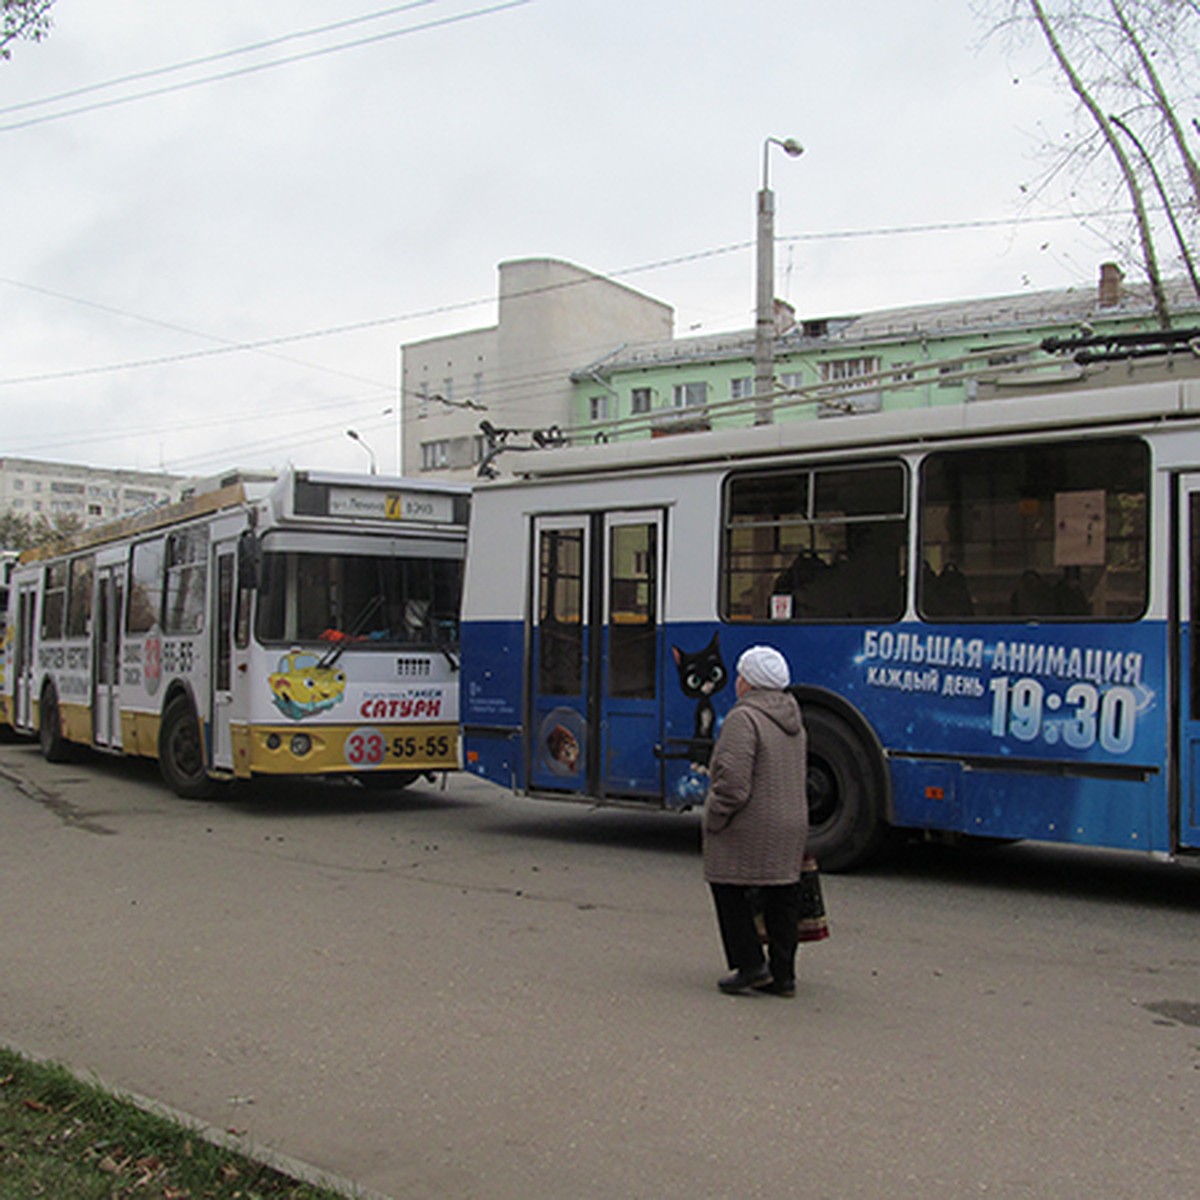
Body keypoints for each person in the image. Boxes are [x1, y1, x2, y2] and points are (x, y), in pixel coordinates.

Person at [703, 645, 808, 997]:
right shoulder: (793, 717)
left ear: (747, 682)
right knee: (782, 894)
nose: (737, 682)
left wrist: (714, 816)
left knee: (727, 885)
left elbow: (732, 784)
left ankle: (750, 965)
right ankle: (784, 975)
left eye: (740, 675)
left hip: (752, 823)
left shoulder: (743, 718)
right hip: (791, 822)